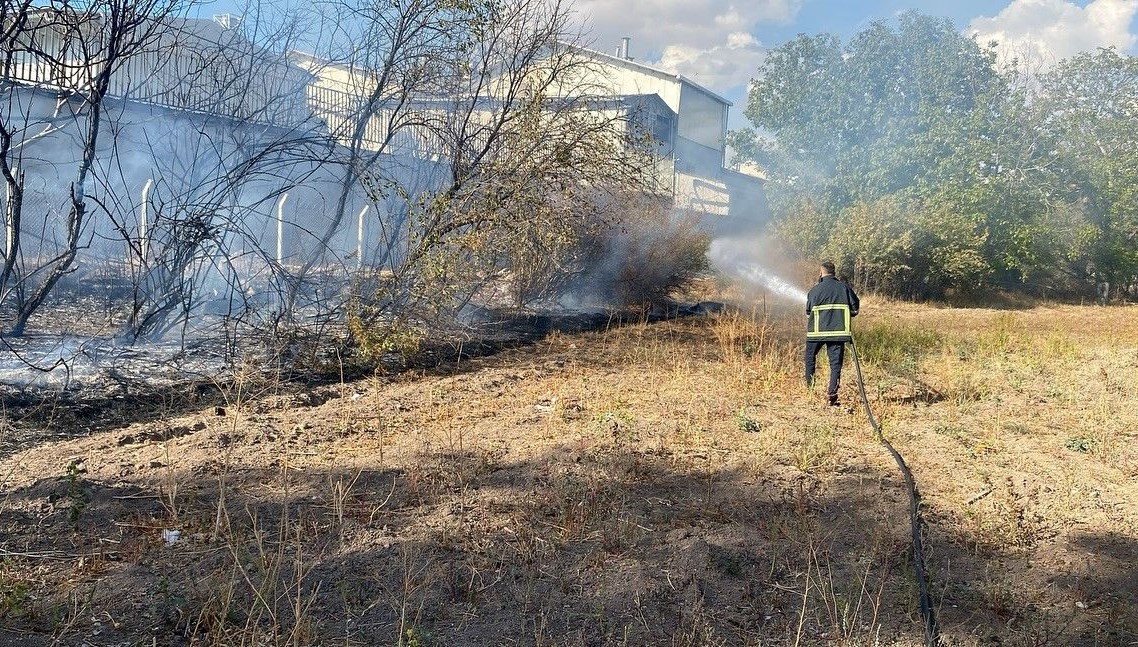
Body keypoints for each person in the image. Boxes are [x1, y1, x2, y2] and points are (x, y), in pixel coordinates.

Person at [805, 261, 860, 406]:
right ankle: (832, 394)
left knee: (810, 358)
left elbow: (808, 313)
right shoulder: (844, 288)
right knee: (835, 364)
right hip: (837, 333)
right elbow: (855, 310)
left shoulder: (814, 290)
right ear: (834, 272)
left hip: (816, 333)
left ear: (821, 272)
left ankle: (810, 389)